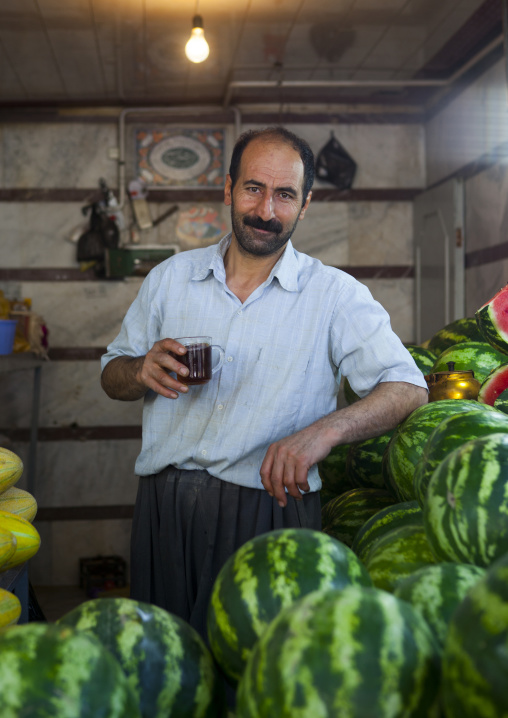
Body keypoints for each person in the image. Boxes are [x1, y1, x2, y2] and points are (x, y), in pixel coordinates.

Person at [100, 126, 428, 641]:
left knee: (260, 674)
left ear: (306, 204)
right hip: (166, 509)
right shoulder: (169, 278)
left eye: (285, 195)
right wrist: (139, 368)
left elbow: (408, 387)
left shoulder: (336, 295)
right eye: (254, 188)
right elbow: (111, 373)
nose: (266, 211)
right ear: (228, 189)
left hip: (272, 508)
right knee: (165, 666)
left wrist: (323, 433)